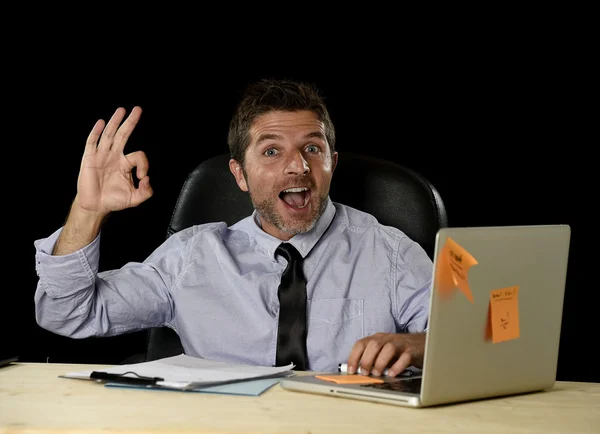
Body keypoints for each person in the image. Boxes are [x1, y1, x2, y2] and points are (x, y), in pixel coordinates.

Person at [34, 78, 433, 376]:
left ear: (332, 162)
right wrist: (87, 212)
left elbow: (476, 341)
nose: (298, 166)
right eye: (272, 151)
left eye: (312, 148)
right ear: (240, 174)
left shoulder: (391, 253)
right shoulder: (191, 258)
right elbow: (67, 313)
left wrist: (416, 345)